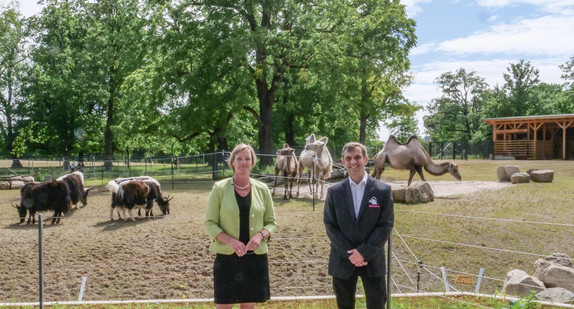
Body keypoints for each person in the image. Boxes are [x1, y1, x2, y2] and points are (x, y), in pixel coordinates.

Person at [205, 143, 277, 309]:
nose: (243, 162)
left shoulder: (263, 189)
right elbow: (210, 223)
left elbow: (271, 223)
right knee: (224, 306)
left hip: (255, 258)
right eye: (239, 158)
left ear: (253, 162)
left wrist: (260, 236)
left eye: (247, 159)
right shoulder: (219, 188)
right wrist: (231, 241)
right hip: (227, 258)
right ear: (232, 162)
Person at [323, 142, 394, 309]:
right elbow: (330, 225)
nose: (353, 162)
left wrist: (363, 252)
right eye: (348, 158)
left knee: (376, 305)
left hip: (373, 259)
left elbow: (386, 225)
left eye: (357, 157)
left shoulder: (382, 190)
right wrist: (352, 254)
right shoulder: (334, 192)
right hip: (343, 260)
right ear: (343, 161)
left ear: (366, 159)